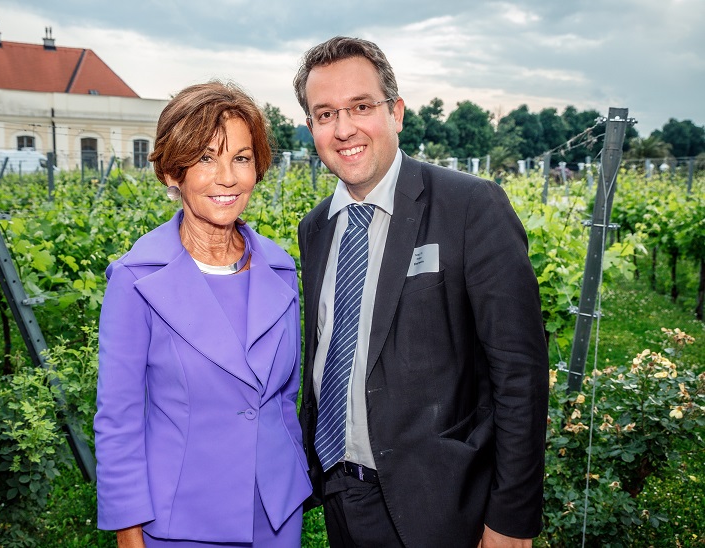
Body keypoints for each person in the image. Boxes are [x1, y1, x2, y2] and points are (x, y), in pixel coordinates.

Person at [294, 37, 550, 548]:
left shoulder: (470, 206)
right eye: (325, 114)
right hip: (341, 493)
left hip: (441, 504)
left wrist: (511, 517)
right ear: (311, 127)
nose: (343, 129)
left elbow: (519, 373)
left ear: (396, 112)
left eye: (360, 107)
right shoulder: (316, 227)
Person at [94, 81, 311, 548]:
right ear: (172, 172)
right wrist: (128, 532)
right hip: (182, 520)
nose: (227, 177)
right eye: (206, 158)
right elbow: (118, 419)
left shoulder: (279, 269)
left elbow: (283, 399)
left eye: (241, 158)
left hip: (276, 515)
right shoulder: (136, 280)